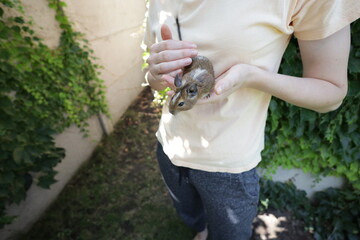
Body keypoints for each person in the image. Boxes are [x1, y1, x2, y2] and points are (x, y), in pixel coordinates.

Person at [144, 1, 360, 239]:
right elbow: (157, 80)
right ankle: (201, 231)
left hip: (228, 164)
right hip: (169, 143)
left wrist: (251, 76)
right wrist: (154, 73)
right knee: (189, 212)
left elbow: (331, 93)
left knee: (229, 234)